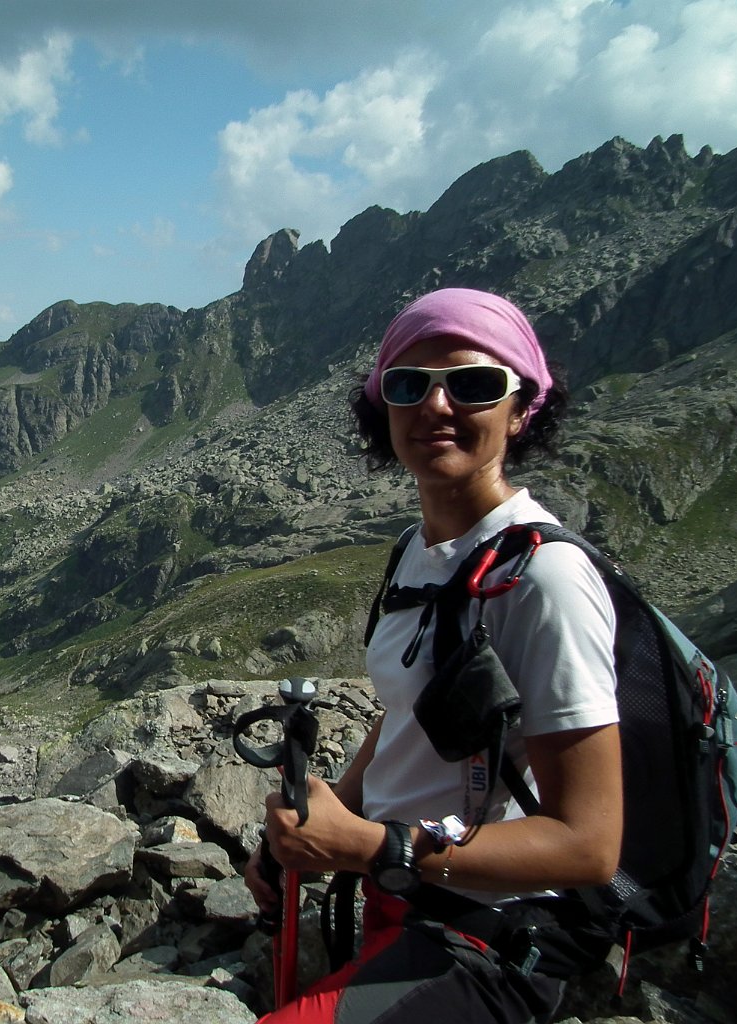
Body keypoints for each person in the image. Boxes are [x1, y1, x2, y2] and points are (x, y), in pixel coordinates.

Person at [244, 288, 622, 1024]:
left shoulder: (544, 577)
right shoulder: (419, 554)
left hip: (487, 939)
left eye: (474, 384)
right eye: (408, 385)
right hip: (402, 906)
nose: (436, 407)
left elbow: (590, 844)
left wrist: (372, 845)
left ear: (523, 408)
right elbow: (406, 718)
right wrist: (316, 828)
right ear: (381, 408)